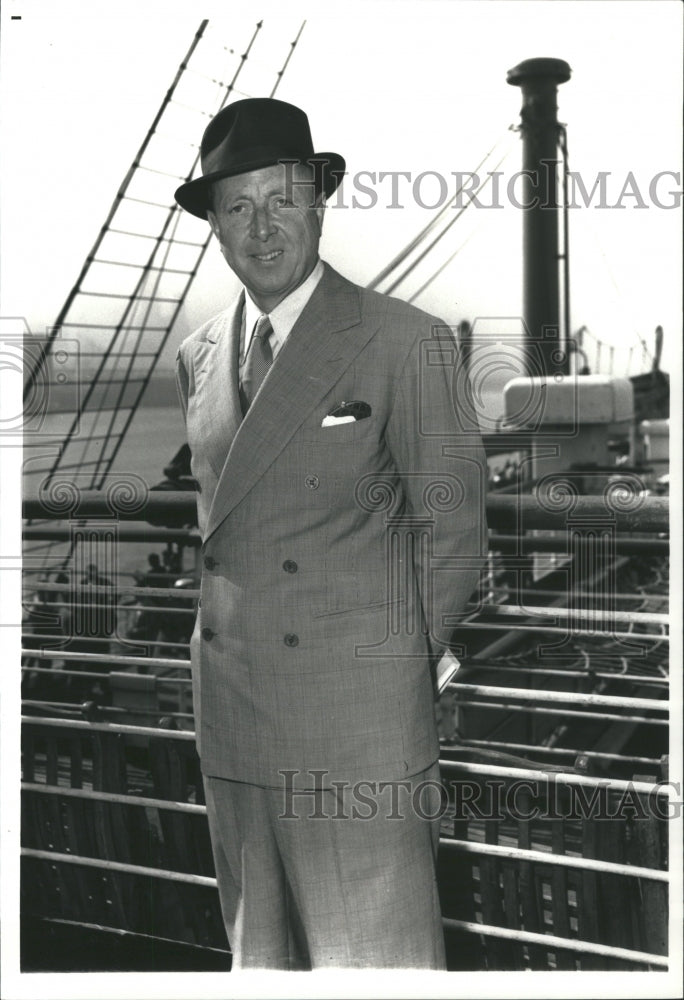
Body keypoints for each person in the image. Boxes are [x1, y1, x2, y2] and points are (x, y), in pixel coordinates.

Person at [174, 98, 487, 970]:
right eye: (237, 207)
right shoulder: (199, 355)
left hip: (356, 733)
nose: (261, 226)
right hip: (233, 720)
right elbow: (219, 530)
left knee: (372, 966)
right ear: (216, 228)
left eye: (281, 200)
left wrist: (394, 677)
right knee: (259, 962)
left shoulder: (404, 342)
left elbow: (453, 531)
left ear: (319, 204)